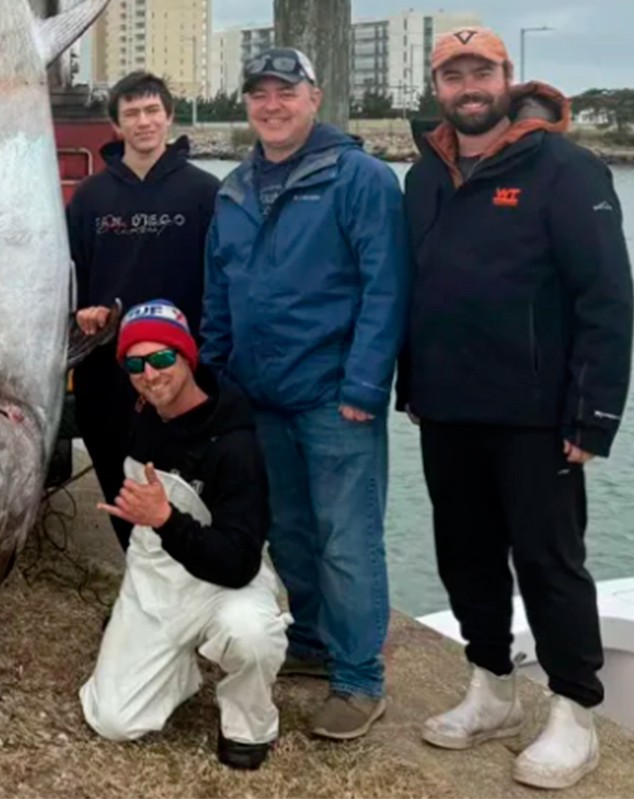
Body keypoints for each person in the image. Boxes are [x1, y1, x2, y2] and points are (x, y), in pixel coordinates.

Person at [399, 26, 634, 791]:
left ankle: (574, 710)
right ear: (438, 86)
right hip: (446, 406)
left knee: (549, 559)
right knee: (464, 553)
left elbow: (606, 296)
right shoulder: (423, 176)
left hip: (539, 415)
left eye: (482, 72)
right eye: (453, 74)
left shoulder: (566, 168)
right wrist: (411, 382)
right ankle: (492, 686)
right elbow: (417, 284)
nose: (468, 87)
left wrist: (594, 415)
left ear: (507, 77)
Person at [199, 47, 409, 742]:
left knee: (348, 539)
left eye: (286, 92)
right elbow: (219, 290)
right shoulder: (234, 189)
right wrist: (216, 376)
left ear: (315, 97)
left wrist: (365, 384)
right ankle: (313, 640)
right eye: (259, 94)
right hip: (260, 396)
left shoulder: (361, 179)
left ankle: (360, 678)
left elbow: (386, 287)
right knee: (288, 530)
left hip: (334, 397)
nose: (272, 105)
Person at [79, 301, 287, 771]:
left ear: (188, 357)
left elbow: (240, 562)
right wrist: (99, 320)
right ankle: (175, 667)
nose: (150, 375)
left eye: (162, 358)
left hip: (222, 581)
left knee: (252, 634)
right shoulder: (138, 410)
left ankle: (249, 720)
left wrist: (165, 519)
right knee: (113, 720)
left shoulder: (235, 445)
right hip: (155, 582)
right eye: (135, 365)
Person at [66, 70, 221, 550]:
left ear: (169, 117)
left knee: (184, 494)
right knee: (121, 490)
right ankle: (137, 576)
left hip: (182, 372)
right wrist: (83, 313)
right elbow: (71, 277)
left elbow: (222, 281)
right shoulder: (89, 197)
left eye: (152, 110)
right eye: (131, 113)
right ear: (117, 125)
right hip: (107, 372)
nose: (144, 121)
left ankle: (185, 576)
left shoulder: (205, 192)